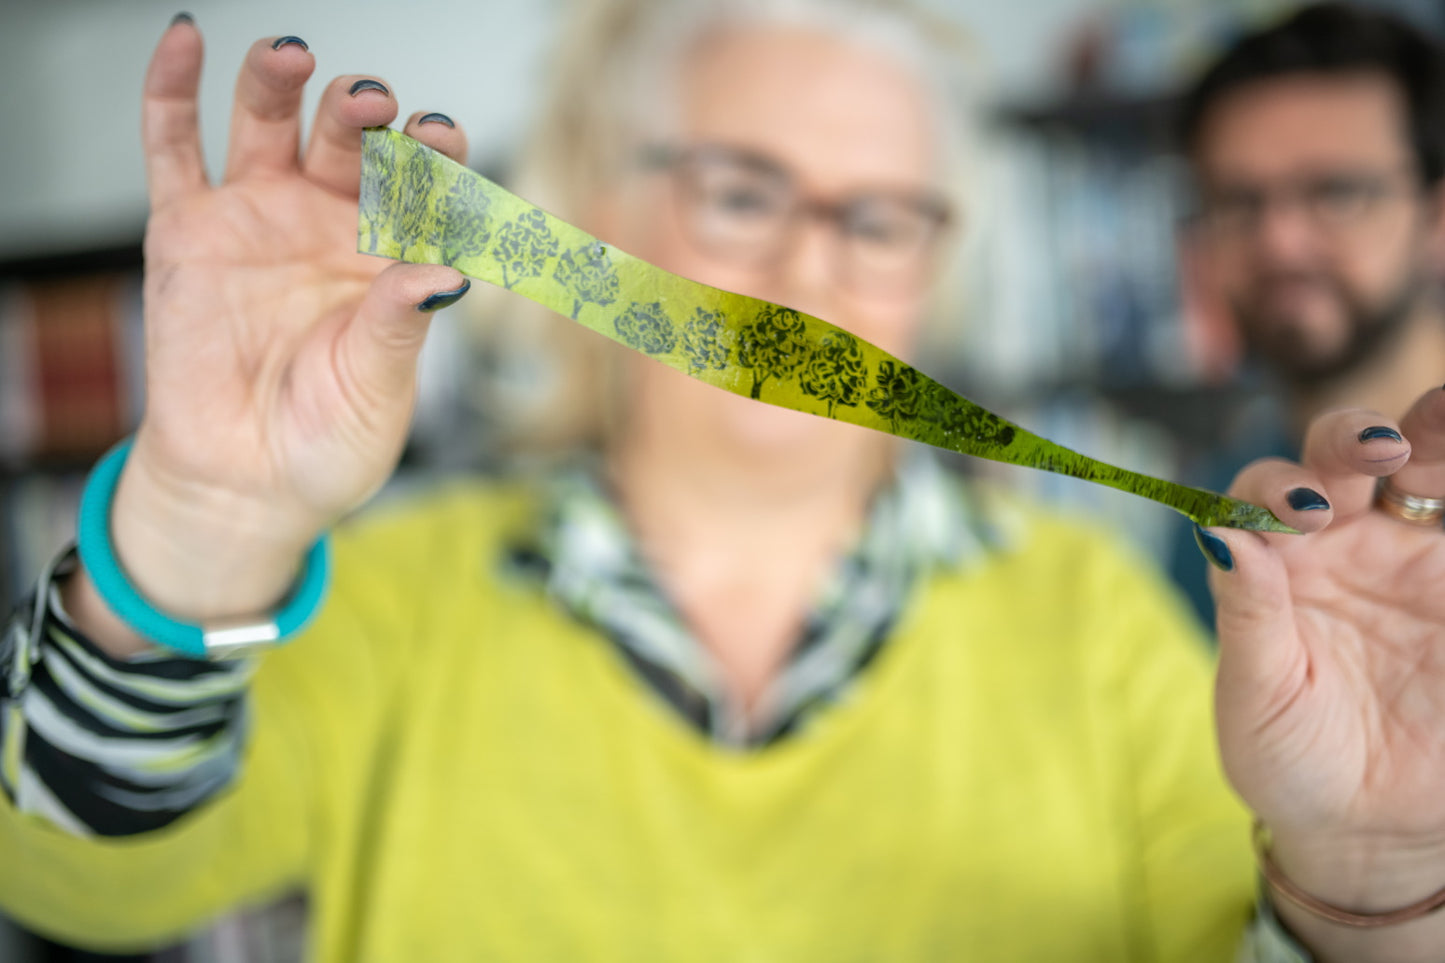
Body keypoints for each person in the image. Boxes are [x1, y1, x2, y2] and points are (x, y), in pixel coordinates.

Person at [1, 2, 1445, 960]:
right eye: (742, 190)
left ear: (938, 267)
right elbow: (67, 875)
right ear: (600, 204)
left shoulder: (1106, 634)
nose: (806, 266)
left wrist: (1369, 885)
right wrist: (205, 523)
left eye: (879, 216)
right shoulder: (390, 606)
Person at [1169, 2, 1445, 627]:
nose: (1280, 242)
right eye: (1239, 202)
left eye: (1336, 192)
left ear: (1436, 215)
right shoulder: (1211, 524)